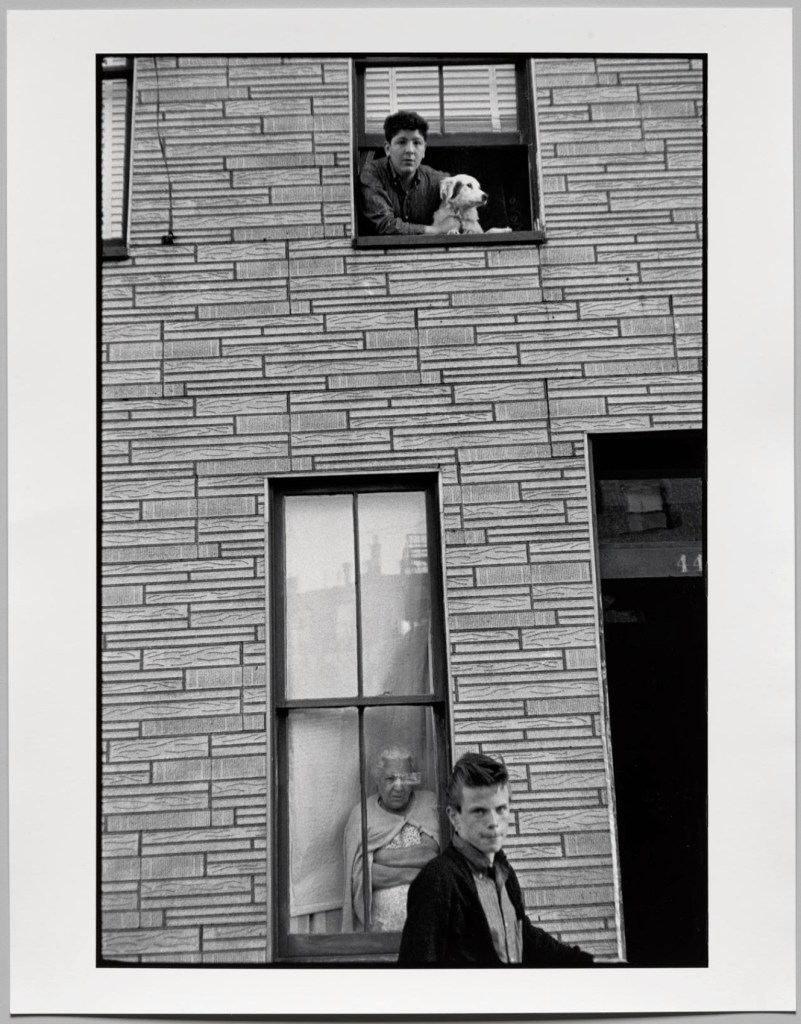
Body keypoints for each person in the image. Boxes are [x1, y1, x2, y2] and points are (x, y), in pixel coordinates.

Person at [398, 752, 595, 966]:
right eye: (479, 811)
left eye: (501, 809)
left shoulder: (504, 872)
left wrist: (589, 963)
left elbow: (525, 939)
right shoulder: (437, 880)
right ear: (454, 817)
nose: (493, 822)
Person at [342, 745, 440, 932]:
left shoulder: (428, 803)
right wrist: (412, 875)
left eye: (405, 778)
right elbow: (363, 876)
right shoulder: (362, 814)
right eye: (390, 778)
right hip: (381, 932)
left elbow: (429, 855)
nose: (399, 786)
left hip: (429, 929)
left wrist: (380, 856)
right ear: (377, 781)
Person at [359, 110, 446, 235]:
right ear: (388, 149)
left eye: (416, 143)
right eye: (401, 142)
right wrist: (436, 230)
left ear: (424, 150)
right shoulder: (372, 173)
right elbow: (384, 224)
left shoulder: (435, 180)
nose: (410, 150)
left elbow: (464, 197)